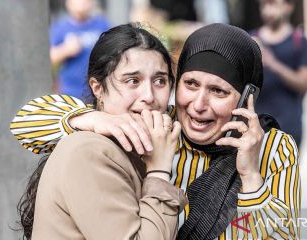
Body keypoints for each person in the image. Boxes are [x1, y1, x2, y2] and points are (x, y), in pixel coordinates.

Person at [11, 23, 300, 239]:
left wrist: (250, 178)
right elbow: (23, 124)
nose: (199, 105)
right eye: (190, 85)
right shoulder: (157, 128)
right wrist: (89, 119)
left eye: (218, 91)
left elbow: (282, 235)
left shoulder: (272, 148)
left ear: (246, 98)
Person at [14, 23, 187, 240]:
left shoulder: (155, 132)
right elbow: (24, 121)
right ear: (97, 88)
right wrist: (159, 171)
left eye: (160, 81)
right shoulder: (90, 150)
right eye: (133, 81)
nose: (149, 96)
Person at [251, 0, 307, 147]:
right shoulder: (252, 39)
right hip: (256, 128)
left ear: (288, 7)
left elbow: (304, 84)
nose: (267, 9)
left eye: (272, 4)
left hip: (289, 128)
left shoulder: (299, 41)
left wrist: (273, 63)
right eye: (263, 5)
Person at [50, 0, 110, 98]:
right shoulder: (60, 28)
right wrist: (65, 50)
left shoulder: (103, 25)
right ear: (68, 3)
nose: (82, 3)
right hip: (70, 91)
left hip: (98, 90)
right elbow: (48, 59)